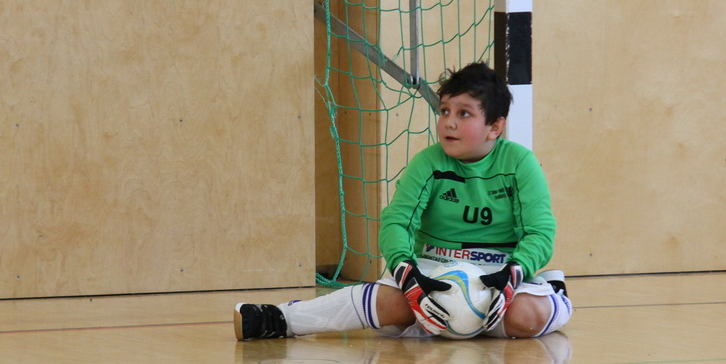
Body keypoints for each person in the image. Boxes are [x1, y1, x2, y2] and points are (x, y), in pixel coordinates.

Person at [234, 62, 572, 340]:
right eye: (444, 110)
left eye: (465, 113)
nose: (449, 122)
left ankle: (551, 290)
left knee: (526, 317)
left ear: (494, 127)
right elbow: (397, 221)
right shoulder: (428, 163)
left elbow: (540, 232)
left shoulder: (520, 163)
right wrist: (406, 272)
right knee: (391, 303)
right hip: (435, 270)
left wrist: (516, 271)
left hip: (499, 272)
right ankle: (282, 319)